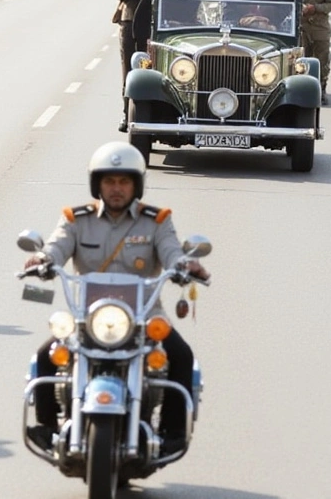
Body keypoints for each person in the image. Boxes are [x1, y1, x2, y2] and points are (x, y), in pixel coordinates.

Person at [22, 141, 210, 456]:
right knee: (46, 354)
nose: (116, 189)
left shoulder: (157, 221)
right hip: (89, 315)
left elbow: (171, 251)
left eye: (124, 181)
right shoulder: (76, 219)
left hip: (145, 315)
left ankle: (172, 431)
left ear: (137, 185)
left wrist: (184, 265)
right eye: (109, 181)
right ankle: (47, 427)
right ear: (97, 184)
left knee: (181, 354)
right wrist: (43, 259)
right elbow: (57, 245)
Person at [115, 0, 161, 131]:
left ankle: (151, 113)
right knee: (129, 69)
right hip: (130, 26)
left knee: (152, 69)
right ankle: (127, 113)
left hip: (153, 28)